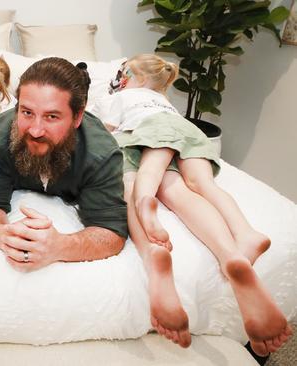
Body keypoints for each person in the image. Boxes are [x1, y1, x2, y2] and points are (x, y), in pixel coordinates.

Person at [104, 53, 292, 354]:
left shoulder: (123, 97)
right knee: (195, 186)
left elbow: (106, 132)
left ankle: (147, 225)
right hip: (189, 134)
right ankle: (239, 240)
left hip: (146, 134)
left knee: (138, 181)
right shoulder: (165, 102)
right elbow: (173, 131)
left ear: (135, 78)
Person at [0, 57, 128, 273]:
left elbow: (110, 229)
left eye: (52, 116)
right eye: (27, 112)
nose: (35, 130)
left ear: (77, 117)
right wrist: (1, 233)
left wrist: (60, 247)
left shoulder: (101, 154)